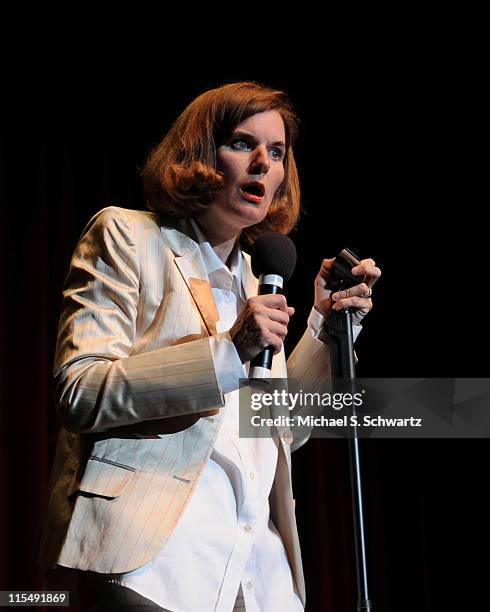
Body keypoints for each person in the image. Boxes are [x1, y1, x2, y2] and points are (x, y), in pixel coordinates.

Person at [39, 81, 381, 611]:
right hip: (157, 566)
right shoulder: (128, 237)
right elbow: (81, 389)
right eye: (244, 144)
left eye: (277, 152)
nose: (264, 164)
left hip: (259, 576)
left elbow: (281, 434)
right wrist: (226, 352)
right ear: (201, 152)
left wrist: (323, 325)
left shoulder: (256, 282)